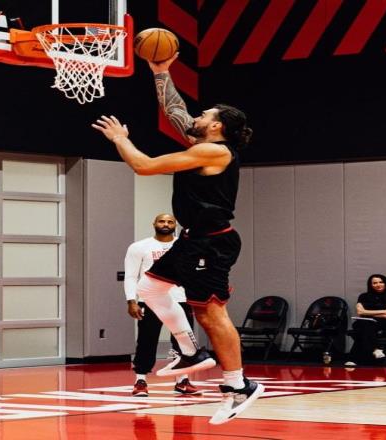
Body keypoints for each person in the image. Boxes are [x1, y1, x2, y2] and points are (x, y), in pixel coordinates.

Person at [92, 53, 264, 425]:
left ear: (216, 125)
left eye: (205, 115)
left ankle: (239, 385)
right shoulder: (205, 144)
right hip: (193, 239)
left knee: (211, 313)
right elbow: (176, 112)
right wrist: (161, 72)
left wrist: (121, 139)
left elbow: (144, 166)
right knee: (150, 288)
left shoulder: (212, 151)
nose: (196, 117)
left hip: (212, 243)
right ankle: (190, 352)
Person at [125, 213, 200, 397]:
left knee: (184, 342)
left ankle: (182, 380)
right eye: (162, 221)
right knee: (146, 340)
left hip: (180, 300)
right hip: (150, 300)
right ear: (154, 224)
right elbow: (131, 276)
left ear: (175, 225)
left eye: (170, 222)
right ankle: (140, 380)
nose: (165, 224)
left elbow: (194, 274)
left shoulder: (184, 246)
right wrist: (131, 300)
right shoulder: (139, 247)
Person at [345, 274, 386, 367]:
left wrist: (366, 312)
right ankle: (375, 349)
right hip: (365, 322)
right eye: (374, 283)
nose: (378, 285)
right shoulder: (363, 296)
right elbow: (360, 312)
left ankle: (353, 358)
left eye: (381, 282)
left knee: (362, 329)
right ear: (370, 285)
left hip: (384, 323)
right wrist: (384, 311)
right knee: (365, 324)